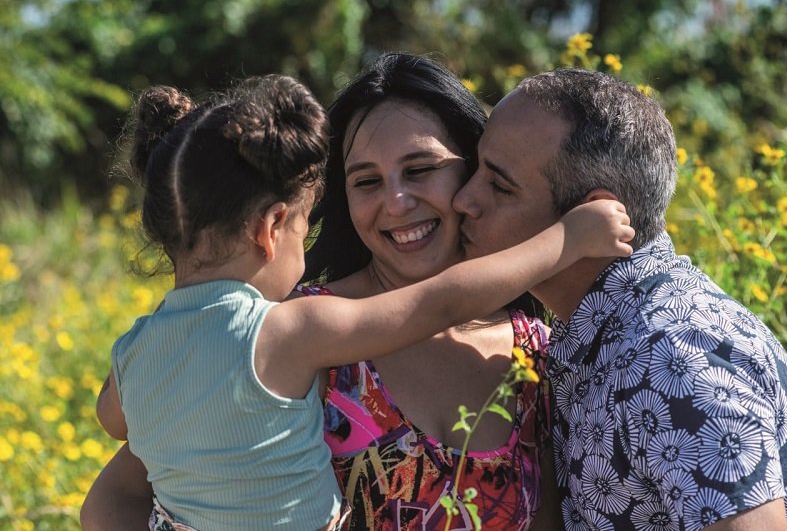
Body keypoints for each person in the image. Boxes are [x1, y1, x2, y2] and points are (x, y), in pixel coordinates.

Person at [91, 69, 634, 530]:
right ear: (274, 227)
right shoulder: (297, 334)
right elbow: (441, 303)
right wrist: (566, 239)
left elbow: (119, 419)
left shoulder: (541, 349)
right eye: (365, 181)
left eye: (421, 170)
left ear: (475, 171)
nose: (397, 203)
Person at [452, 67, 787, 530]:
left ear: (594, 215)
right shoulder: (618, 335)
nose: (464, 200)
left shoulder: (669, 356)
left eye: (499, 185)